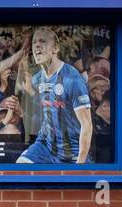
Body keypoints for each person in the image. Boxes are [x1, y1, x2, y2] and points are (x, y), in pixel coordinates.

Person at [18, 26, 93, 165]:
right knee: (19, 170)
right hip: (45, 146)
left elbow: (87, 125)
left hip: (72, 151)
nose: (37, 46)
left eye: (42, 41)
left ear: (55, 49)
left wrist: (80, 164)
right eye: (34, 42)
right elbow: (48, 104)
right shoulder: (37, 79)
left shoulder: (72, 80)